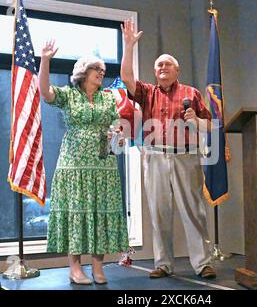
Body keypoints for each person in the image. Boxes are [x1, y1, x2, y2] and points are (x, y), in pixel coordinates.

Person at [120, 21, 216, 279]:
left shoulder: (192, 93)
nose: (162, 67)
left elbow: (212, 127)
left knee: (194, 212)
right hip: (155, 156)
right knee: (159, 211)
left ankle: (202, 263)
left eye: (167, 64)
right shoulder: (147, 92)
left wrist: (196, 121)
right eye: (158, 65)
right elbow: (127, 77)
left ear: (177, 69)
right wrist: (128, 46)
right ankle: (163, 263)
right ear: (154, 72)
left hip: (186, 156)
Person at [38, 40, 129, 285]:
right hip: (74, 165)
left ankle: (98, 267)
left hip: (103, 165)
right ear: (83, 73)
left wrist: (117, 135)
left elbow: (117, 126)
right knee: (75, 213)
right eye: (96, 69)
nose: (101, 73)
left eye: (102, 70)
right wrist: (45, 60)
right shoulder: (68, 95)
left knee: (100, 213)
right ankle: (75, 268)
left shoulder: (108, 98)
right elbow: (45, 92)